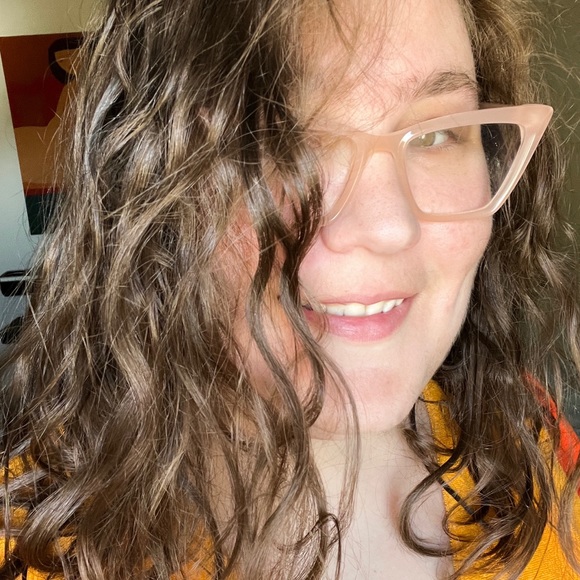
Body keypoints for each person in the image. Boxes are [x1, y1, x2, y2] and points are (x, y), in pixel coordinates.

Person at [1, 0, 579, 578]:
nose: (390, 228)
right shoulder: (31, 545)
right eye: (281, 140)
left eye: (436, 134)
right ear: (150, 188)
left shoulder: (529, 441)